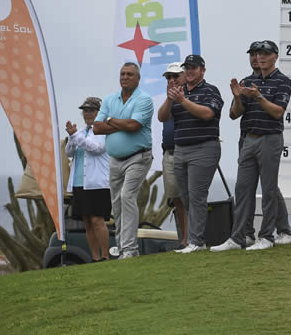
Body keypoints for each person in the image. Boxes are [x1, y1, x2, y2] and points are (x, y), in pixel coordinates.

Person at [212, 40, 291, 252]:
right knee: (243, 189)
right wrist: (238, 97)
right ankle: (238, 237)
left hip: (270, 139)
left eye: (265, 53)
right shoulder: (247, 81)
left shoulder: (283, 81)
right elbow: (234, 114)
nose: (260, 57)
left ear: (275, 56)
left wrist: (258, 96)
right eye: (257, 54)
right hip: (249, 139)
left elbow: (277, 112)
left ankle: (266, 236)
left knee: (268, 190)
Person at [158, 54, 223, 254]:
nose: (190, 71)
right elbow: (162, 117)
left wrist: (182, 101)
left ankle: (196, 241)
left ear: (202, 70)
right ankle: (194, 240)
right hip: (181, 149)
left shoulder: (210, 90)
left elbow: (208, 114)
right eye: (187, 68)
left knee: (196, 196)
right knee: (185, 197)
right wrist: (170, 99)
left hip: (204, 148)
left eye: (194, 68)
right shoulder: (179, 91)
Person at [93, 63, 154, 259]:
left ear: (138, 78)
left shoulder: (144, 99)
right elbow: (96, 128)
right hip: (115, 160)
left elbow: (134, 125)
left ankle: (130, 249)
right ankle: (121, 249)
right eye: (122, 74)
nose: (125, 77)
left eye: (129, 74)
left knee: (127, 196)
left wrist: (110, 120)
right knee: (117, 204)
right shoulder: (110, 99)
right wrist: (121, 124)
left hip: (138, 157)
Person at [65, 97, 110, 262]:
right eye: (85, 110)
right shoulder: (81, 132)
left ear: (99, 112)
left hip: (97, 182)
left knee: (97, 220)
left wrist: (75, 135)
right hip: (79, 182)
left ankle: (105, 256)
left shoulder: (103, 130)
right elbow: (69, 152)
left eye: (91, 110)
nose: (88, 113)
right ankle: (95, 257)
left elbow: (96, 148)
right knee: (87, 222)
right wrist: (72, 137)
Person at [159, 64, 188, 247]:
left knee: (188, 198)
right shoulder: (168, 100)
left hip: (186, 151)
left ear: (184, 76)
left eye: (176, 76)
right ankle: (184, 240)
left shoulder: (189, 96)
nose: (172, 80)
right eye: (168, 77)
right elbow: (161, 117)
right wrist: (170, 98)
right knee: (177, 199)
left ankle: (190, 239)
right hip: (169, 153)